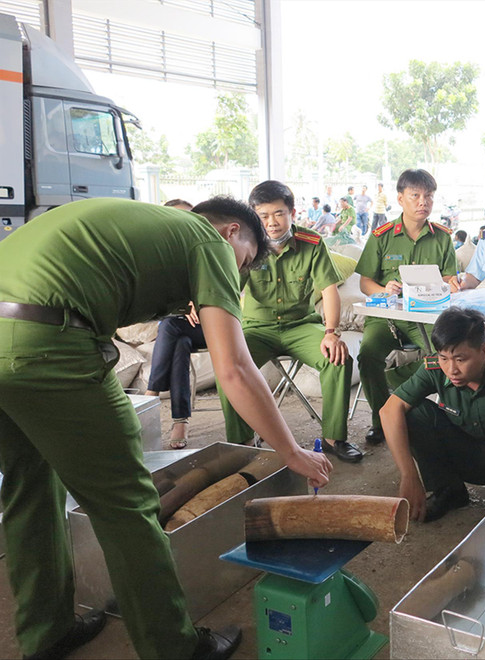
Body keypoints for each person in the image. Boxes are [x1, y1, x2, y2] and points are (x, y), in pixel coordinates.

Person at [0, 196, 332, 660]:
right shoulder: (210, 242)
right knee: (127, 504)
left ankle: (45, 633)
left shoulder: (153, 228)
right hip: (48, 347)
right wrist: (292, 452)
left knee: (28, 489)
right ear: (233, 232)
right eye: (247, 262)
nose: (240, 275)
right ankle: (174, 648)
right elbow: (234, 368)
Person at [217, 180, 362, 462]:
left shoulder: (311, 243)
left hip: (301, 326)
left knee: (338, 357)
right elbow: (228, 287)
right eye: (263, 216)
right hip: (257, 330)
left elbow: (328, 290)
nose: (272, 222)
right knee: (227, 365)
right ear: (253, 216)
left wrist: (331, 332)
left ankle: (334, 438)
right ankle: (243, 441)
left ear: (292, 212)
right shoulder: (247, 244)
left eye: (279, 213)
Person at [380, 308, 485, 522]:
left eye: (460, 359)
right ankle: (449, 490)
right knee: (413, 413)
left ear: (484, 349)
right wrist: (409, 475)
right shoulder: (435, 368)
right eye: (444, 358)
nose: (451, 369)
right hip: (461, 455)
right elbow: (388, 410)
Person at [355, 168, 457, 445]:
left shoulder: (443, 237)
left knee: (448, 356)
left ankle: (402, 392)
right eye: (415, 195)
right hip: (385, 316)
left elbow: (449, 277)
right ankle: (380, 420)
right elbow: (365, 282)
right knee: (367, 355)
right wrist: (383, 289)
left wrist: (452, 282)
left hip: (425, 316)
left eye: (429, 196)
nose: (423, 202)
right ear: (400, 199)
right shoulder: (382, 235)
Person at [143, 199, 205, 449]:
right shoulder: (161, 257)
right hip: (180, 327)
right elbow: (156, 302)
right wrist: (182, 306)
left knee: (169, 327)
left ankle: (150, 395)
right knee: (178, 341)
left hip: (213, 326)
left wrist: (199, 302)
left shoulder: (205, 249)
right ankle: (181, 420)